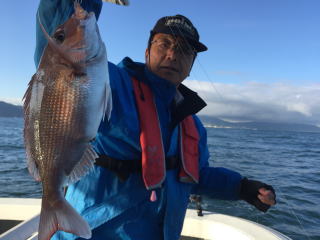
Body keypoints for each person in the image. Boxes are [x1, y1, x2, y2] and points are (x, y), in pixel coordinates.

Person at [34, 1, 276, 240]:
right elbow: (59, 47)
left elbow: (194, 175)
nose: (172, 55)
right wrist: (81, 4)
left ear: (191, 65)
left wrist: (241, 188)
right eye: (164, 44)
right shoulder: (113, 85)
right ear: (147, 52)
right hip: (94, 233)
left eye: (183, 50)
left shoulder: (192, 125)